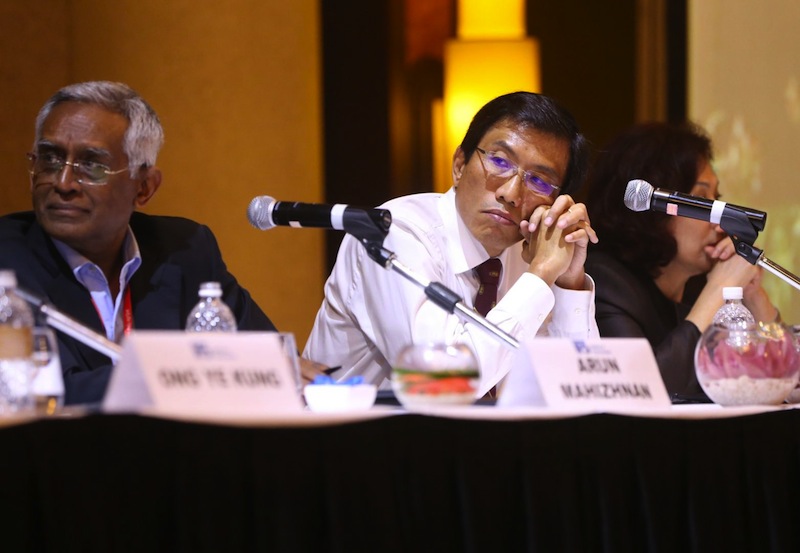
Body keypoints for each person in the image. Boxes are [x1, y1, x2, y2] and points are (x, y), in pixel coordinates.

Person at [0, 81, 323, 405]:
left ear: (144, 187)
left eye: (93, 166)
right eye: (50, 160)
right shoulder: (7, 259)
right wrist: (193, 370)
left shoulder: (185, 249)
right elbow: (43, 392)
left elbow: (272, 360)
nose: (63, 183)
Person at [304, 91, 600, 397]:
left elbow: (583, 390)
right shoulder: (394, 234)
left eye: (538, 181)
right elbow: (440, 383)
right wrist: (540, 275)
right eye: (499, 161)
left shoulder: (530, 253)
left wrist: (568, 282)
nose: (511, 194)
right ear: (459, 165)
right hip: (353, 426)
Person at [584, 121, 779, 399]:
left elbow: (784, 380)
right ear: (650, 209)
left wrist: (753, 295)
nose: (720, 221)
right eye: (701, 199)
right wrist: (719, 288)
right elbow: (643, 389)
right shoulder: (606, 281)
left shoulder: (698, 287)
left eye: (716, 198)